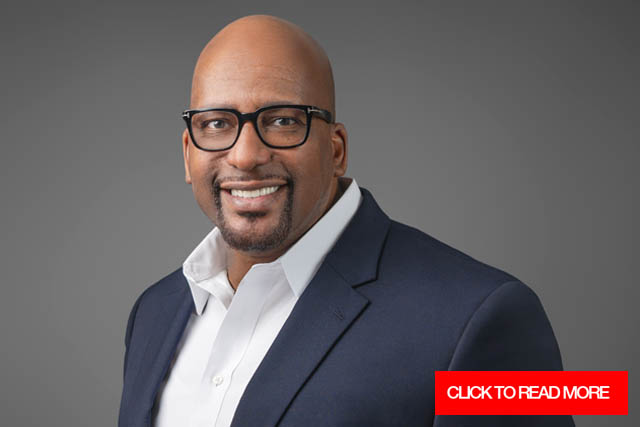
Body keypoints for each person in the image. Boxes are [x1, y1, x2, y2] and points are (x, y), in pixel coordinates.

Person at [118, 15, 574, 427]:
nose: (245, 155)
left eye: (282, 121)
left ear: (336, 149)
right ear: (188, 153)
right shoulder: (154, 313)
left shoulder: (481, 317)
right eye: (217, 124)